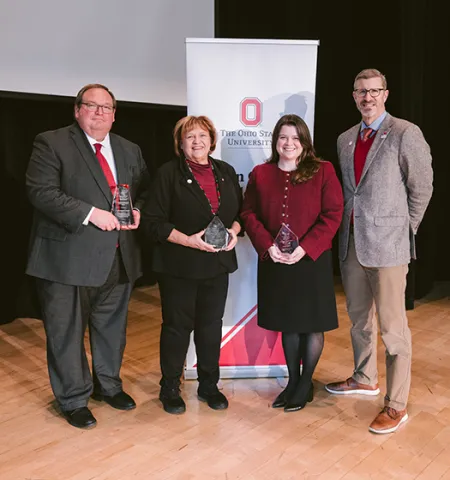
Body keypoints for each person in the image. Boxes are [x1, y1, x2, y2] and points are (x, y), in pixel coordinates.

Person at [26, 84, 150, 429]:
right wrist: (90, 213)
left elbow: (145, 189)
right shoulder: (52, 142)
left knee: (112, 328)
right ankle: (73, 398)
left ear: (115, 114)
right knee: (66, 332)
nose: (99, 112)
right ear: (77, 110)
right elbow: (41, 191)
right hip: (66, 258)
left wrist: (138, 209)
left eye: (106, 107)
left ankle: (108, 386)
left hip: (118, 256)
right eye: (91, 106)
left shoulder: (129, 149)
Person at [325, 69, 433, 434]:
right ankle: (365, 377)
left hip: (389, 246)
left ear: (385, 94)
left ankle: (397, 404)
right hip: (353, 242)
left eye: (374, 91)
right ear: (353, 96)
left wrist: (405, 230)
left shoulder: (405, 133)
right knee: (358, 319)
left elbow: (422, 187)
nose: (367, 97)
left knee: (393, 328)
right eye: (360, 91)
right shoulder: (344, 139)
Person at [241, 114, 343, 412]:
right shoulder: (261, 173)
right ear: (276, 141)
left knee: (310, 324)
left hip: (310, 261)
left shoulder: (322, 171)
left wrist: (306, 248)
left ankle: (305, 382)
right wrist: (267, 245)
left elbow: (333, 214)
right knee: (288, 323)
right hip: (275, 260)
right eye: (283, 137)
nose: (289, 143)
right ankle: (293, 381)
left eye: (295, 138)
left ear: (304, 142)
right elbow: (248, 214)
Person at [142, 115, 242, 415]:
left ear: (212, 140)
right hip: (179, 266)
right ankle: (170, 387)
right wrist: (189, 240)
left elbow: (242, 213)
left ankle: (209, 385)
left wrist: (234, 233)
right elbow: (152, 222)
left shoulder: (226, 172)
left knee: (211, 328)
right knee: (177, 329)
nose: (197, 141)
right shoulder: (168, 174)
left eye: (202, 135)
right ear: (180, 143)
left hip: (217, 265)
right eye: (189, 137)